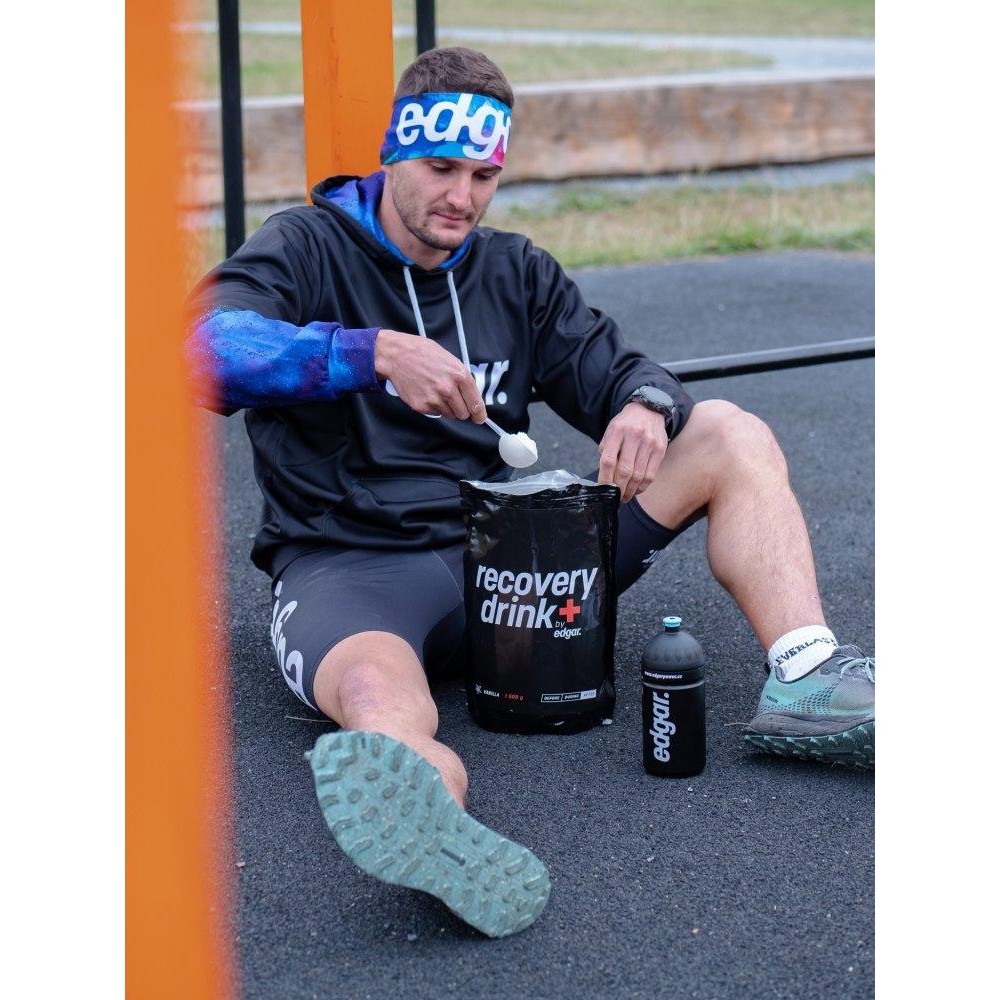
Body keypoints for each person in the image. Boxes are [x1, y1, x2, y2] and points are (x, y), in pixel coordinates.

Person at [184, 46, 874, 939]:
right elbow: (199, 351)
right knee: (379, 701)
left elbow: (622, 368)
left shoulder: (514, 271)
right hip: (355, 568)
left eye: (484, 176)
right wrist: (367, 351)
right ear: (394, 154)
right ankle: (434, 826)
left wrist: (644, 407)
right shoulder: (306, 247)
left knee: (728, 432)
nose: (461, 197)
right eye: (441, 169)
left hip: (520, 568)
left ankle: (809, 677)